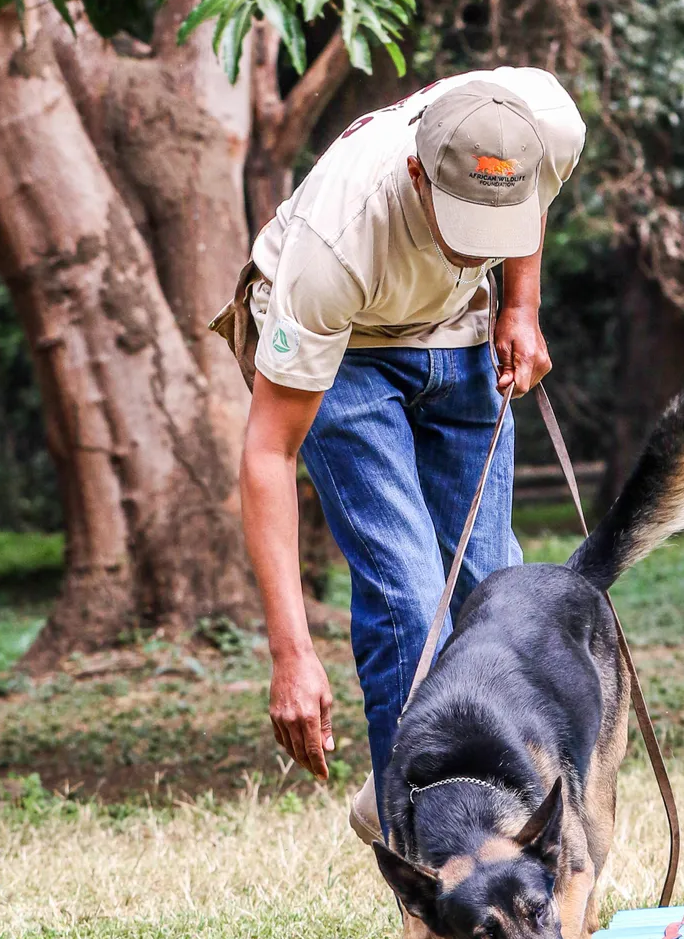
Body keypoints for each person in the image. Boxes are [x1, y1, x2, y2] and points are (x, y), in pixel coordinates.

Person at [229, 68, 586, 840]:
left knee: (500, 601)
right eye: (465, 222)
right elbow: (267, 454)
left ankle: (514, 835)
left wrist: (520, 306)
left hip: (460, 336)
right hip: (347, 353)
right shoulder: (333, 243)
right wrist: (292, 656)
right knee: (412, 604)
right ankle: (432, 865)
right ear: (420, 175)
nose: (477, 248)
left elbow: (533, 204)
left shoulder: (546, 127)